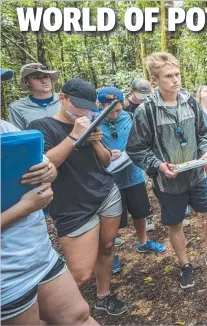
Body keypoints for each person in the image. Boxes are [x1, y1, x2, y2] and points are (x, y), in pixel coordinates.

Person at [127, 52, 207, 290]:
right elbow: (136, 148)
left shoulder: (190, 102)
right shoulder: (146, 111)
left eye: (177, 74)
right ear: (155, 80)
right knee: (175, 223)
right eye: (169, 76)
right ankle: (185, 265)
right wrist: (158, 165)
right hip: (168, 182)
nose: (176, 80)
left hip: (196, 175)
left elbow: (205, 133)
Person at [0, 68, 98, 325]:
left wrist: (47, 173)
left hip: (37, 252)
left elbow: (49, 170)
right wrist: (24, 208)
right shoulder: (36, 122)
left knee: (78, 314)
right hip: (6, 274)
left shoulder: (6, 130)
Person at [28, 78, 128, 316]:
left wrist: (95, 142)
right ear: (62, 98)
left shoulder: (91, 122)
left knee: (107, 246)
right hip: (72, 204)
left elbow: (104, 162)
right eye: (78, 105)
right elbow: (44, 166)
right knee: (81, 273)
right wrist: (74, 136)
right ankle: (54, 315)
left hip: (105, 192)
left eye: (88, 106)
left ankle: (104, 295)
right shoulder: (41, 126)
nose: (84, 111)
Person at [97, 87, 165, 273]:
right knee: (113, 219)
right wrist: (107, 154)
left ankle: (143, 242)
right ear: (100, 106)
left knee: (140, 211)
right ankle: (113, 254)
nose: (114, 114)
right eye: (109, 110)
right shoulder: (93, 124)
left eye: (118, 110)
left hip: (133, 175)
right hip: (110, 181)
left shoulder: (129, 117)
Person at [9, 63, 61, 130]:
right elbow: (19, 136)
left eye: (46, 76)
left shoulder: (65, 99)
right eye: (36, 78)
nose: (44, 81)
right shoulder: (17, 107)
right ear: (26, 81)